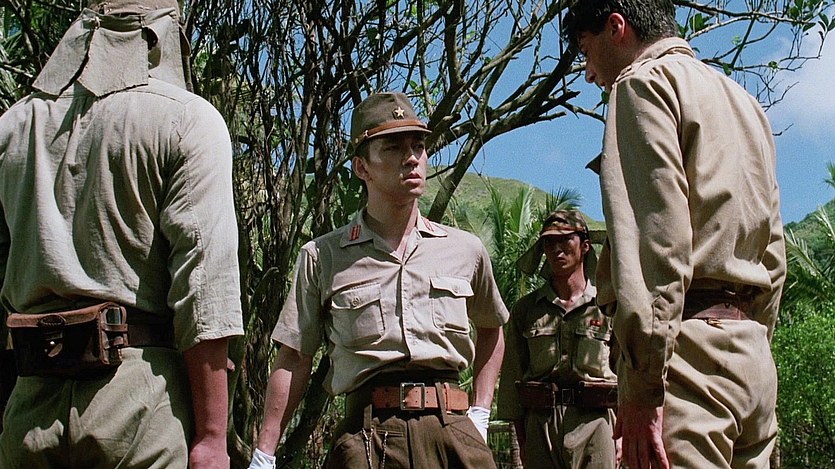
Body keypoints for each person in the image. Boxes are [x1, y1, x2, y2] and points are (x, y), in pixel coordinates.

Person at [0, 1, 243, 467]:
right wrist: (213, 436)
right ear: (162, 34)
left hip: (29, 408)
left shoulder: (13, 126)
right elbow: (204, 287)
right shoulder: (186, 119)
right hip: (138, 403)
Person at [562, 1, 787, 469]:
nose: (589, 72)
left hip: (684, 361)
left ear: (616, 27)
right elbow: (773, 251)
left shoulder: (641, 85)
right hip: (753, 359)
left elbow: (657, 248)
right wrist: (754, 344)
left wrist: (645, 387)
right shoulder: (745, 104)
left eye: (586, 50)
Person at [247, 92, 509, 469]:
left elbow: (492, 327)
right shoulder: (323, 257)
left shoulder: (465, 249)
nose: (412, 157)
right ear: (361, 167)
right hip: (368, 439)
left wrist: (480, 413)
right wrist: (264, 454)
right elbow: (295, 357)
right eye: (393, 147)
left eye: (418, 146)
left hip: (453, 437)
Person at [497, 210, 618, 468]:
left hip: (596, 423)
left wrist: (622, 434)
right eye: (549, 242)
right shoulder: (527, 310)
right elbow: (512, 377)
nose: (556, 249)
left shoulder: (607, 306)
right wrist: (523, 440)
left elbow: (627, 371)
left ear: (585, 246)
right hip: (541, 426)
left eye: (565, 240)